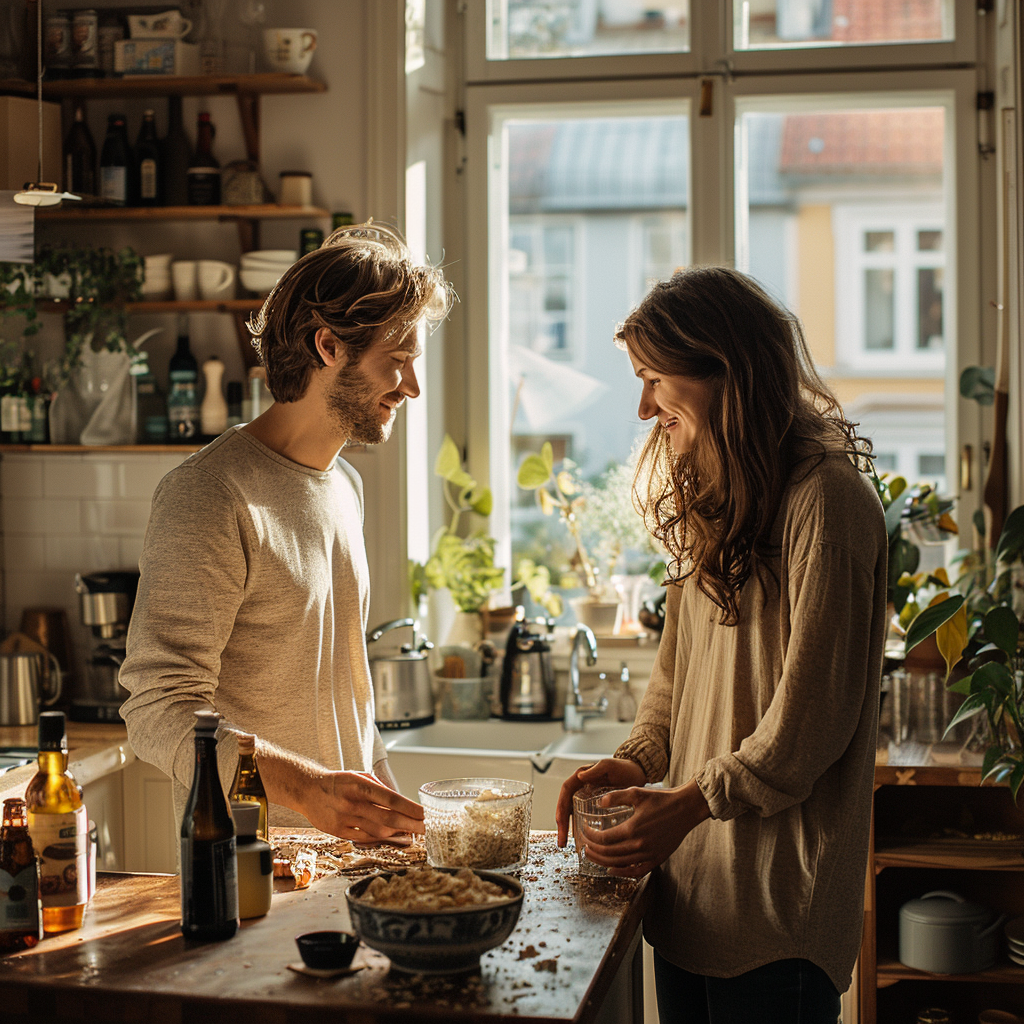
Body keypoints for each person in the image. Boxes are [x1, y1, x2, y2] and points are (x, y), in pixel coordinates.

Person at [555, 266, 887, 1023]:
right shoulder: (716, 493)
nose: (644, 407)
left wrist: (692, 800)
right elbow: (676, 679)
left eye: (653, 379)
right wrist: (638, 757)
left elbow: (809, 727)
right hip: (690, 900)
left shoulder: (828, 502)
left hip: (778, 917)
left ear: (725, 370)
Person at [120, 224, 453, 842]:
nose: (409, 387)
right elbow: (157, 709)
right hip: (248, 868)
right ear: (329, 346)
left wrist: (388, 813)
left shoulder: (344, 486)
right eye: (398, 362)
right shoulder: (210, 494)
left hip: (348, 865)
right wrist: (308, 791)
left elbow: (348, 692)